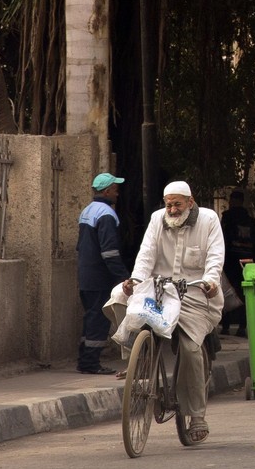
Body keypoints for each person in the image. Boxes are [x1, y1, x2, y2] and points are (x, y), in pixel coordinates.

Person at [124, 180, 224, 445]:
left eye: (177, 204)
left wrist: (211, 281)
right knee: (120, 301)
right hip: (159, 291)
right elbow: (146, 254)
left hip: (194, 293)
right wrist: (135, 280)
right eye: (168, 204)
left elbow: (215, 257)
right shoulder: (158, 219)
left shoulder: (209, 220)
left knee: (191, 350)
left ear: (190, 203)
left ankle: (197, 416)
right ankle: (134, 359)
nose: (172, 209)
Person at [76, 172, 130, 375]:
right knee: (98, 318)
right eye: (115, 190)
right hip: (99, 276)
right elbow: (110, 252)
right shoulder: (107, 214)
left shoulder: (88, 211)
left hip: (85, 274)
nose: (117, 193)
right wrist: (123, 276)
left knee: (90, 316)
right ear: (107, 191)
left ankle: (85, 360)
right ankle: (90, 363)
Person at [220, 188, 255, 336]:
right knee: (245, 293)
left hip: (230, 260)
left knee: (226, 291)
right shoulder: (251, 222)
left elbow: (222, 239)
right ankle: (242, 327)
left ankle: (225, 326)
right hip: (247, 261)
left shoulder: (227, 218)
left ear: (234, 201)